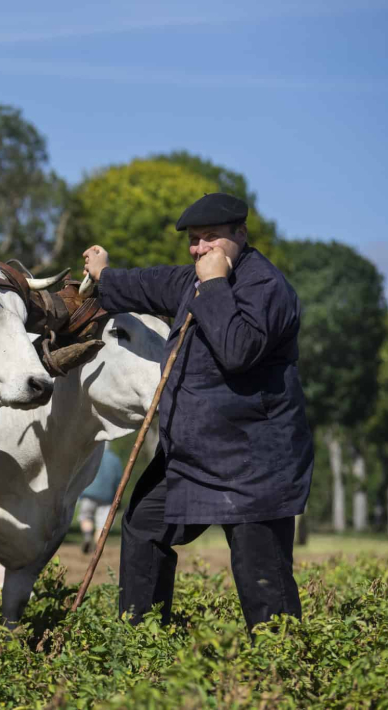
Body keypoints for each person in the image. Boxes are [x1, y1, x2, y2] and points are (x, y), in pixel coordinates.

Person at [82, 192, 313, 632]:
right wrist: (105, 274)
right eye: (194, 240)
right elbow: (148, 285)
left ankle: (281, 671)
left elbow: (238, 350)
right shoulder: (192, 280)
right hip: (189, 455)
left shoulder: (266, 287)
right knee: (143, 528)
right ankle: (141, 643)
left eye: (211, 238)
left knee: (261, 572)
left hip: (253, 462)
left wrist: (214, 286)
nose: (200, 249)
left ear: (240, 235)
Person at [77, 443, 124, 554]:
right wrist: (118, 499)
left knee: (86, 517)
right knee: (102, 524)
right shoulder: (115, 460)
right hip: (107, 497)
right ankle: (97, 548)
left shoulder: (90, 456)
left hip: (88, 493)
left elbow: (81, 474)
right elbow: (119, 481)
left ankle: (88, 536)